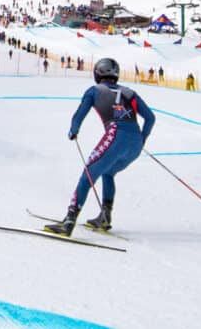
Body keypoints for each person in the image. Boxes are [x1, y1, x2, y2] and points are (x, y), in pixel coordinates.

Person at [44, 58, 155, 236]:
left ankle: (69, 220)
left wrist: (74, 130)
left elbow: (79, 115)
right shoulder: (129, 92)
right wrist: (142, 140)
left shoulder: (94, 91)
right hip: (134, 144)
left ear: (98, 73)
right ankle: (105, 217)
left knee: (88, 173)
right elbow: (150, 118)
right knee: (108, 172)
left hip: (115, 135)